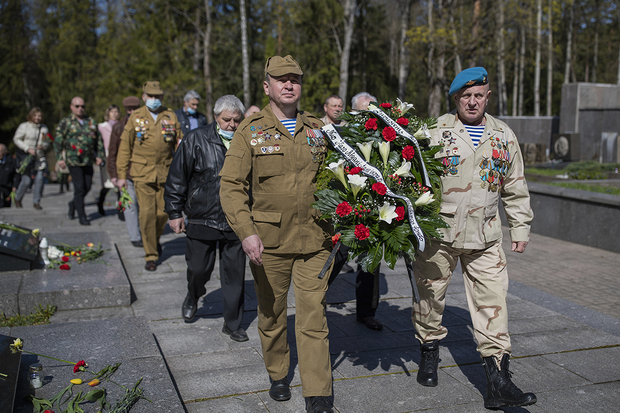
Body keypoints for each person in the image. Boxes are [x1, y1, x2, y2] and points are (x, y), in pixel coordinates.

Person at [411, 67, 536, 410]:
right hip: (440, 235)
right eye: (465, 96)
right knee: (429, 299)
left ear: (487, 96)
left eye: (478, 95)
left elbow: (515, 187)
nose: (472, 101)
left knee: (494, 306)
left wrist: (520, 228)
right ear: (456, 99)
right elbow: (410, 177)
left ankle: (498, 381)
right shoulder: (436, 131)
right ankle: (429, 352)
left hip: (486, 236)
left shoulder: (503, 136)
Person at [219, 55, 335, 413]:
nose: (289, 84)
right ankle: (278, 372)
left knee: (313, 315)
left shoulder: (318, 128)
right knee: (271, 314)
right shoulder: (250, 129)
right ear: (267, 86)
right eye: (281, 79)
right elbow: (231, 186)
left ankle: (318, 393)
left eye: (295, 79)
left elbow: (341, 177)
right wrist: (246, 232)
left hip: (315, 240)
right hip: (268, 244)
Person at [164, 95, 248, 341]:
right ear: (215, 117)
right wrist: (174, 212)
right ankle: (193, 294)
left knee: (234, 274)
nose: (232, 125)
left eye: (236, 120)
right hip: (202, 216)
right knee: (199, 269)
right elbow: (177, 178)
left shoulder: (247, 140)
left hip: (236, 219)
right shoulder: (195, 139)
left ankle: (233, 323)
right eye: (226, 120)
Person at [328, 91, 384, 331]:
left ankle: (366, 312)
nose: (368, 116)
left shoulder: (384, 136)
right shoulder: (341, 135)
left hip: (373, 209)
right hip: (346, 208)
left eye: (372, 110)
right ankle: (315, 298)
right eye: (363, 111)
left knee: (370, 263)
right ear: (353, 113)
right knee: (335, 257)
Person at [116, 81, 180, 271]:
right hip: (142, 174)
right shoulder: (135, 117)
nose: (154, 100)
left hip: (165, 173)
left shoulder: (169, 115)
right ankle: (150, 255)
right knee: (146, 215)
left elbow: (180, 142)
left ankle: (154, 239)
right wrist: (121, 175)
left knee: (163, 214)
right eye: (150, 96)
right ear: (144, 97)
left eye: (157, 96)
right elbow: (125, 148)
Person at [54, 97, 104, 225]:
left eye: (82, 106)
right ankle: (82, 216)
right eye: (77, 106)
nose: (80, 109)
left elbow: (98, 141)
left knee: (87, 186)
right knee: (79, 187)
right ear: (71, 107)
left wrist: (99, 156)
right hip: (73, 160)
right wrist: (60, 159)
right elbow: (58, 141)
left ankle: (73, 203)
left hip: (88, 160)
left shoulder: (91, 122)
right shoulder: (66, 122)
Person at [107, 96, 143, 247]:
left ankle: (144, 231)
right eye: (129, 109)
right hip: (125, 174)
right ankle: (135, 236)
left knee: (143, 207)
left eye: (135, 108)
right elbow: (112, 152)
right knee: (129, 205)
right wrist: (114, 175)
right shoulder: (119, 127)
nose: (132, 111)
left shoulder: (144, 124)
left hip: (142, 172)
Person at [13, 107, 50, 210]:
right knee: (26, 180)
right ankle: (18, 198)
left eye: (39, 116)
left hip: (39, 158)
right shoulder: (24, 126)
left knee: (39, 179)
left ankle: (36, 202)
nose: (37, 118)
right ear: (31, 116)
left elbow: (47, 141)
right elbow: (16, 139)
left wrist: (44, 146)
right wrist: (27, 148)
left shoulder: (44, 128)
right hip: (27, 157)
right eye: (35, 115)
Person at [97, 104, 120, 216]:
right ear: (108, 113)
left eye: (116, 112)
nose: (114, 114)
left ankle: (121, 210)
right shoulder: (101, 127)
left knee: (120, 185)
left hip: (119, 156)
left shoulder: (122, 125)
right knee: (108, 184)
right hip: (107, 157)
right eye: (112, 112)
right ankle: (100, 203)